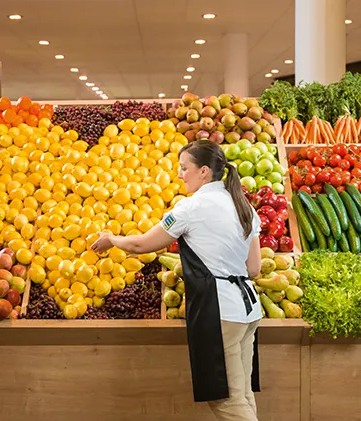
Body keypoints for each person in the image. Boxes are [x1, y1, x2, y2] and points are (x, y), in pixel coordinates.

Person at [91, 140, 263, 421]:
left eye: (184, 168)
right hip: (248, 309)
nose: (180, 174)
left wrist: (112, 238)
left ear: (204, 171)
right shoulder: (244, 205)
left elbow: (141, 245)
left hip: (221, 311)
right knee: (242, 394)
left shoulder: (190, 208)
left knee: (227, 402)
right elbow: (254, 268)